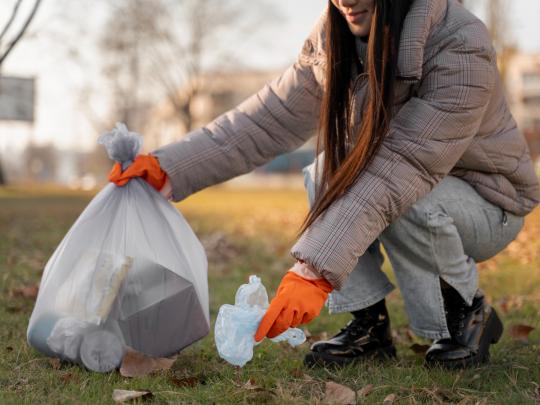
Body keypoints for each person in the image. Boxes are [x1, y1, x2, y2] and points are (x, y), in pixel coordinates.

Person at [109, 0, 540, 369]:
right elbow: (264, 122)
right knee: (323, 171)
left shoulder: (459, 42)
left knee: (412, 201)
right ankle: (367, 327)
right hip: (412, 183)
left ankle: (466, 316)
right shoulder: (333, 39)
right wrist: (170, 167)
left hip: (488, 201)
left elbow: (403, 166)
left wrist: (314, 270)